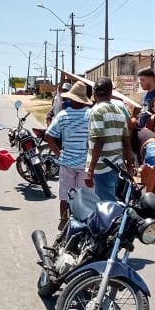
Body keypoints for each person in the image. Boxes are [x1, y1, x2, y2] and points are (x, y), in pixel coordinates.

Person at [45, 83, 92, 224]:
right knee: (84, 196)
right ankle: (83, 223)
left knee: (65, 195)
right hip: (85, 163)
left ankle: (63, 221)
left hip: (66, 163)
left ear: (71, 98)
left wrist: (59, 154)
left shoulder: (63, 115)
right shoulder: (91, 115)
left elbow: (49, 136)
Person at [85, 78, 134, 202]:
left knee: (107, 208)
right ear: (111, 92)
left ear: (94, 93)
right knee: (115, 203)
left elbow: (99, 141)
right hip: (116, 166)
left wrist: (90, 171)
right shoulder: (119, 111)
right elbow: (126, 142)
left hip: (102, 168)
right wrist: (129, 167)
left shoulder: (96, 111)